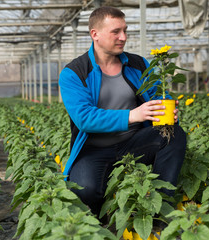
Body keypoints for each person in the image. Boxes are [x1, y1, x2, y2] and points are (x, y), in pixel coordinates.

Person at [59, 6, 186, 219]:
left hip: (133, 142)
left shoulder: (138, 64)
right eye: (116, 31)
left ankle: (161, 209)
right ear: (95, 34)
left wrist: (166, 113)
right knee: (84, 191)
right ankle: (104, 215)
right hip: (93, 148)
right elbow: (84, 119)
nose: (123, 37)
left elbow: (155, 98)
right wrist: (133, 115)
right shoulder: (74, 73)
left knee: (173, 133)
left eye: (125, 30)